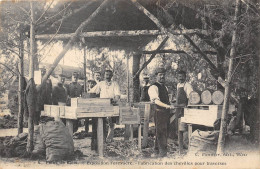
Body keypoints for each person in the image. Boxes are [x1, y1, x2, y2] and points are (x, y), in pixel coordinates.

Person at [148, 68, 174, 158]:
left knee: (163, 132)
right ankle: (163, 154)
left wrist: (170, 105)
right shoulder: (153, 87)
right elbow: (156, 101)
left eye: (163, 74)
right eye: (160, 75)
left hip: (166, 113)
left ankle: (156, 151)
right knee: (161, 132)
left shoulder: (165, 87)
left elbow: (167, 100)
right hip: (159, 112)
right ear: (156, 76)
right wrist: (167, 106)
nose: (162, 76)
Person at [90, 70, 120, 143]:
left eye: (109, 75)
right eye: (106, 75)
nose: (108, 76)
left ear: (112, 76)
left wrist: (115, 100)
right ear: (104, 75)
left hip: (111, 104)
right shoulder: (101, 84)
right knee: (102, 122)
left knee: (111, 123)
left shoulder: (115, 84)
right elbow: (92, 92)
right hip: (102, 105)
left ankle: (109, 138)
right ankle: (102, 139)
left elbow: (117, 95)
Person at [168, 70, 194, 139]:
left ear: (185, 77)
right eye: (179, 77)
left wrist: (187, 107)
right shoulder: (178, 85)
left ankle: (185, 142)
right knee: (177, 124)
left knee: (184, 126)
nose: (180, 78)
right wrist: (175, 101)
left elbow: (191, 98)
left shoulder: (188, 85)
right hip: (178, 107)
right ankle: (179, 140)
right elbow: (179, 97)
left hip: (184, 108)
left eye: (182, 77)